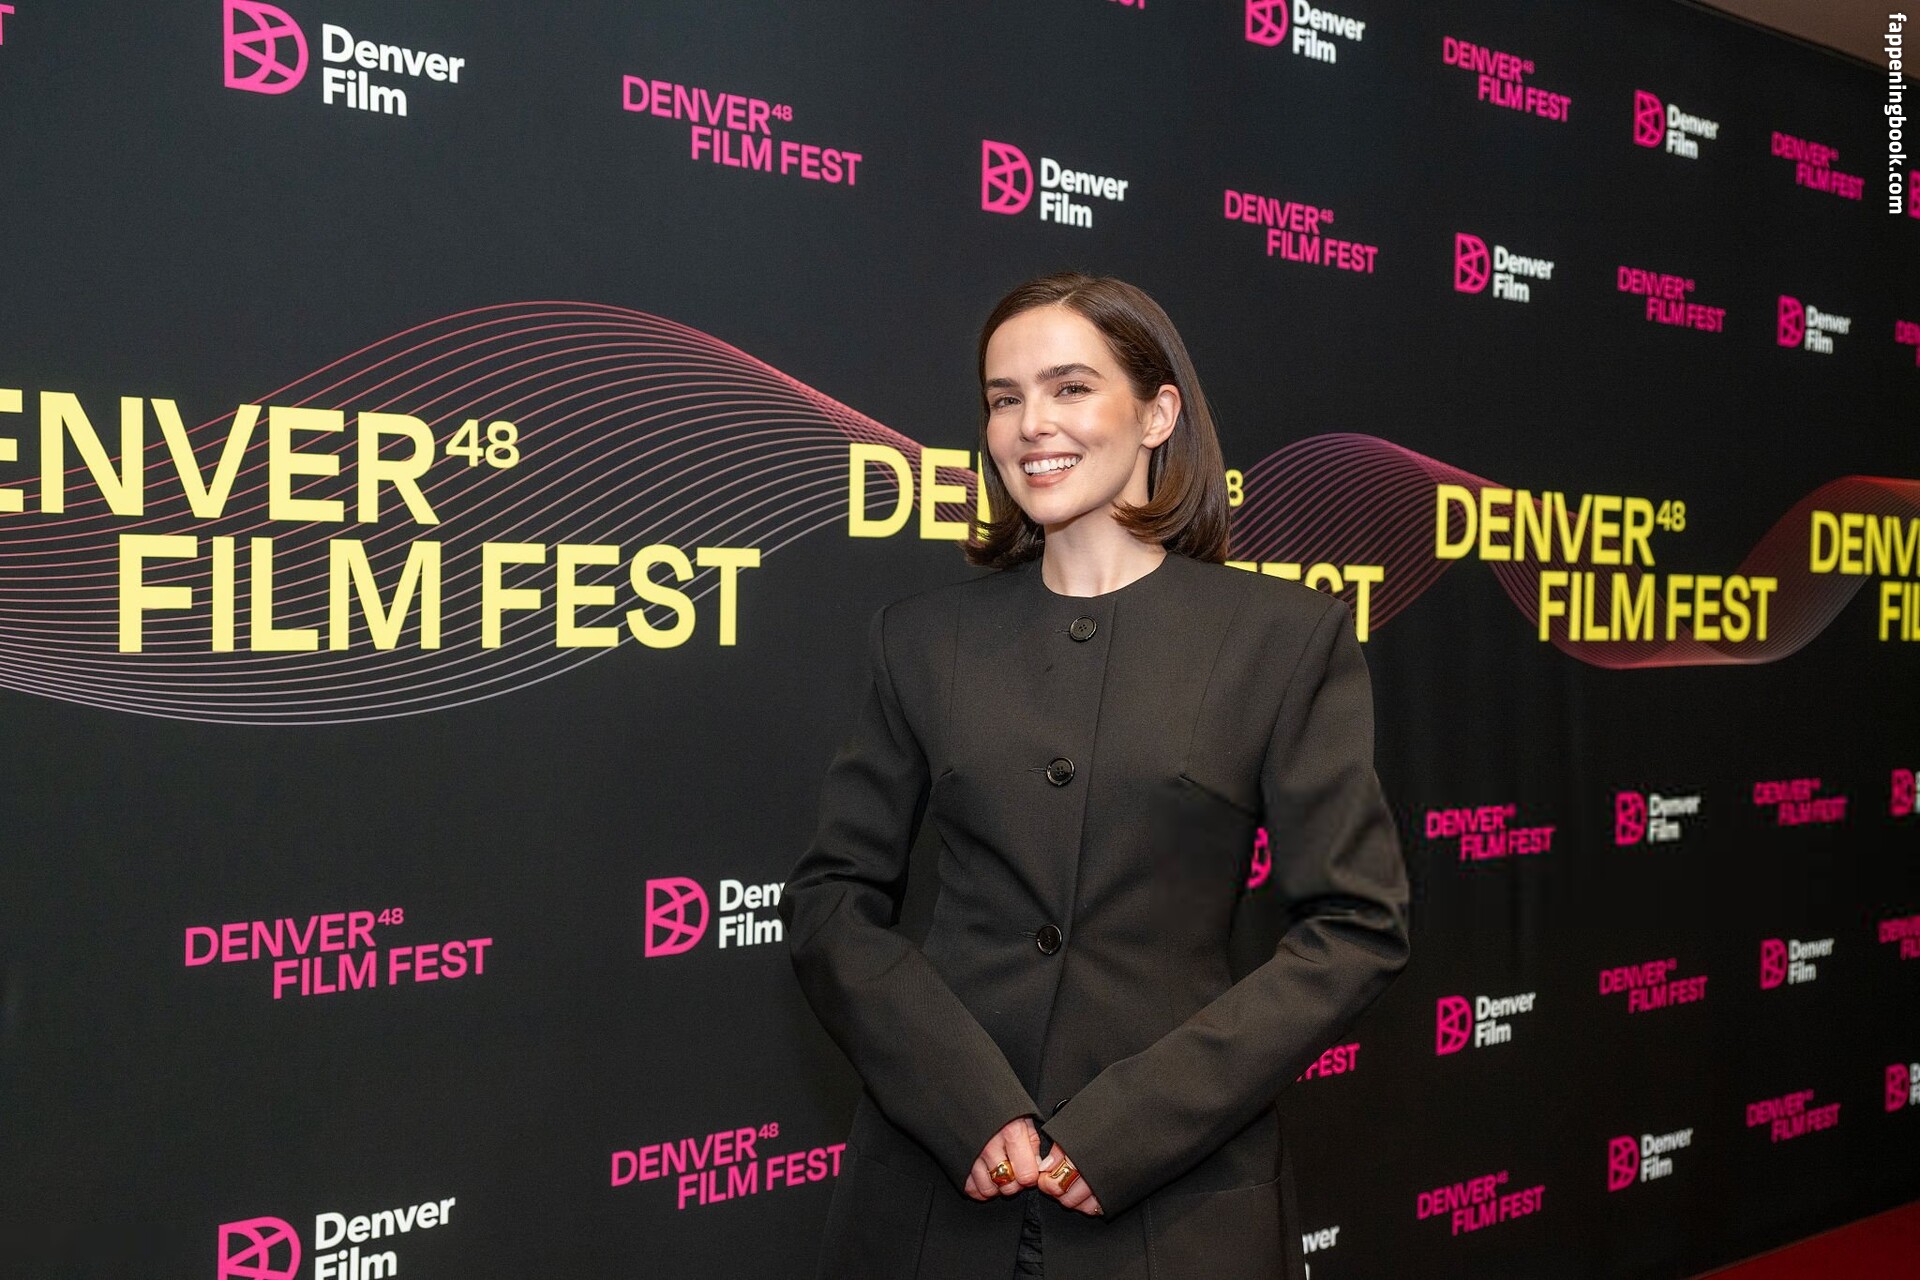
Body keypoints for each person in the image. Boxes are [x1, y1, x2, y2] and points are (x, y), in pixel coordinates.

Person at [778, 271, 1410, 1280]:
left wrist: (1134, 1121)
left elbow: (1356, 926)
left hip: (1179, 1203)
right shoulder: (920, 639)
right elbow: (831, 900)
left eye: (1070, 387)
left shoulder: (1282, 639)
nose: (1032, 423)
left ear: (1158, 413)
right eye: (1004, 397)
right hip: (934, 1196)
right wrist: (959, 1098)